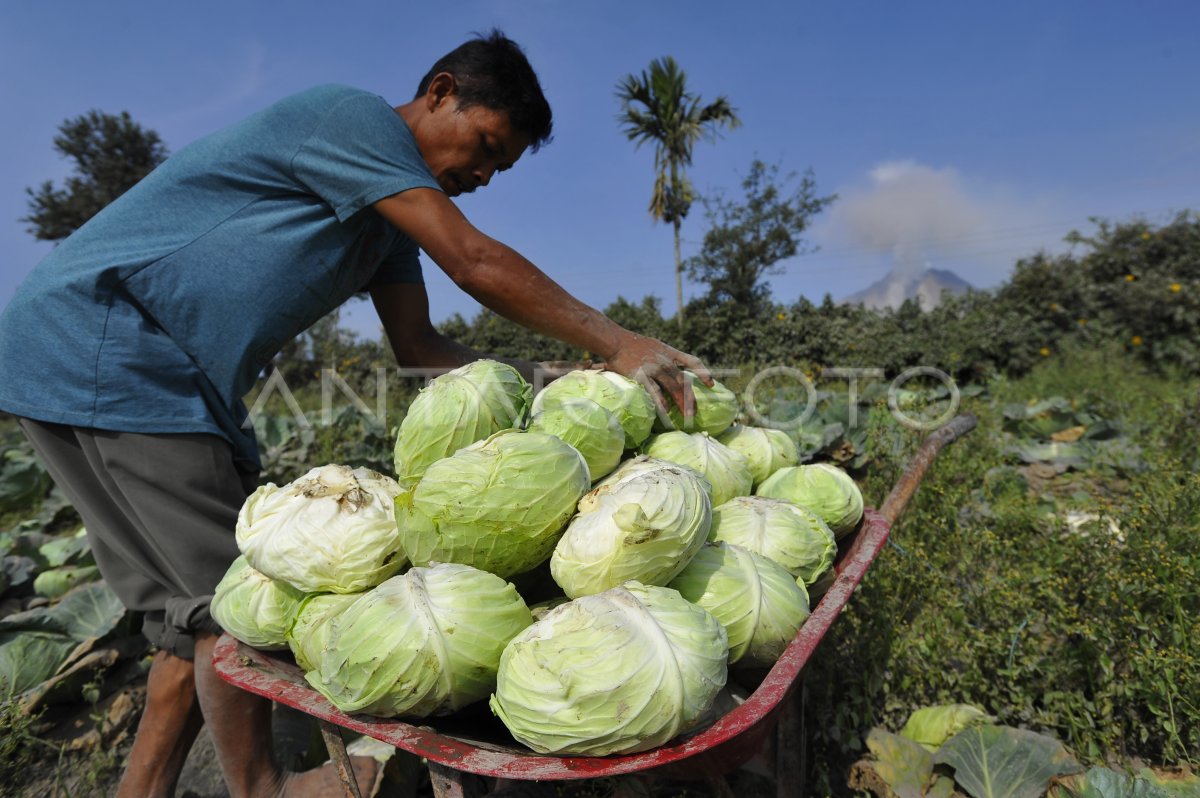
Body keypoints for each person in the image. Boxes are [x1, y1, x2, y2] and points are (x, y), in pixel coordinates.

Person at [0, 29, 711, 798]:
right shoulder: (351, 121)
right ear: (440, 91)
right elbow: (471, 260)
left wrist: (566, 377)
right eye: (482, 147)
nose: (479, 174)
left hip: (112, 357)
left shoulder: (381, 227)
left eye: (496, 168)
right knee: (231, 606)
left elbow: (420, 347)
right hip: (117, 347)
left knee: (186, 621)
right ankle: (264, 788)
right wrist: (620, 340)